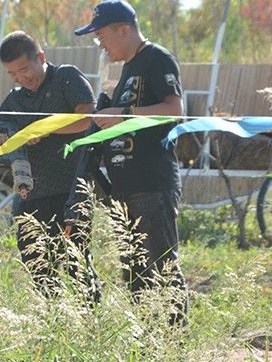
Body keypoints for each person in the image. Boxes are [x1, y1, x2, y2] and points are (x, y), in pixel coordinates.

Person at [73, 0, 189, 325]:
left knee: (162, 269)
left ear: (123, 30)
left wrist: (123, 114)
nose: (101, 45)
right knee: (135, 276)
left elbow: (175, 109)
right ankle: (146, 347)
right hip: (121, 190)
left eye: (102, 37)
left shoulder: (157, 59)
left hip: (151, 184)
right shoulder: (126, 69)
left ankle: (174, 349)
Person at [0, 31, 99, 302]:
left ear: (40, 58)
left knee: (76, 262)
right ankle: (53, 317)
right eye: (12, 74)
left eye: (24, 69)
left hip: (71, 189)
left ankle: (91, 323)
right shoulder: (16, 99)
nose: (21, 78)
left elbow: (87, 118)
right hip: (32, 193)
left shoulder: (66, 77)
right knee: (35, 261)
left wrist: (46, 130)